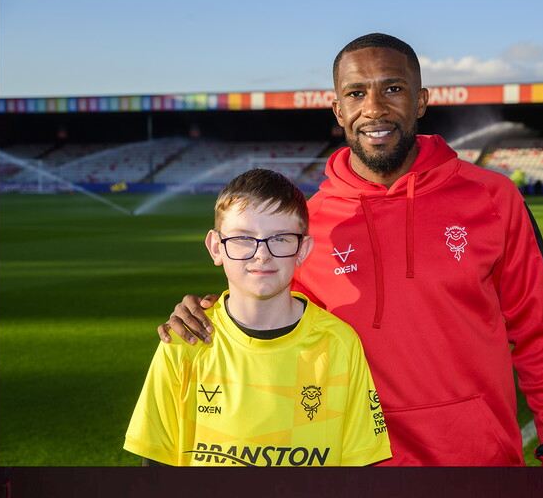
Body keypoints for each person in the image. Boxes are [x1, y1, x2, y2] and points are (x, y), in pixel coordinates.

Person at [159, 33, 543, 466]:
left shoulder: (493, 199)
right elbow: (265, 327)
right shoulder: (308, 225)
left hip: (478, 462)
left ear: (421, 101)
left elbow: (538, 333)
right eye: (356, 93)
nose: (374, 107)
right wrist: (203, 312)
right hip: (354, 466)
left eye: (393, 89)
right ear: (338, 109)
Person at [125, 168, 391, 467]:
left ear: (302, 249)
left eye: (280, 239)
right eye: (243, 238)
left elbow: (360, 466)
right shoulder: (185, 342)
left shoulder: (339, 343)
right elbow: (157, 463)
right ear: (216, 247)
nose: (262, 254)